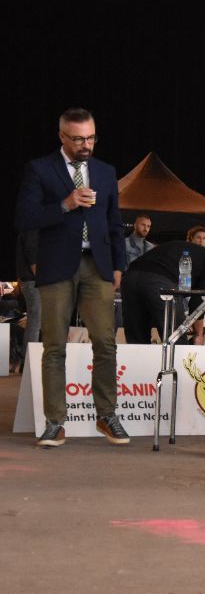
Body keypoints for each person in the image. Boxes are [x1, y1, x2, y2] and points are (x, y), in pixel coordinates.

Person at [14, 107, 130, 448]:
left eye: (91, 137)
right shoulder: (40, 169)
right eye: (78, 139)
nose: (86, 145)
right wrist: (64, 204)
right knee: (55, 346)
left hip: (98, 265)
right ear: (62, 137)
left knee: (106, 343)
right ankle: (54, 422)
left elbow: (114, 221)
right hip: (56, 265)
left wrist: (119, 265)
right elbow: (24, 216)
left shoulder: (105, 172)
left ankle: (107, 415)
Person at [121, 240, 205, 344]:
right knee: (176, 341)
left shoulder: (193, 252)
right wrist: (199, 335)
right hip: (160, 281)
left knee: (137, 342)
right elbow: (198, 302)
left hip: (130, 276)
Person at [15, 230, 40, 371]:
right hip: (32, 281)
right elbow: (32, 255)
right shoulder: (31, 228)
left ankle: (28, 360)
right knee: (35, 320)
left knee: (35, 320)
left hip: (31, 280)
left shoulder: (29, 227)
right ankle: (28, 361)